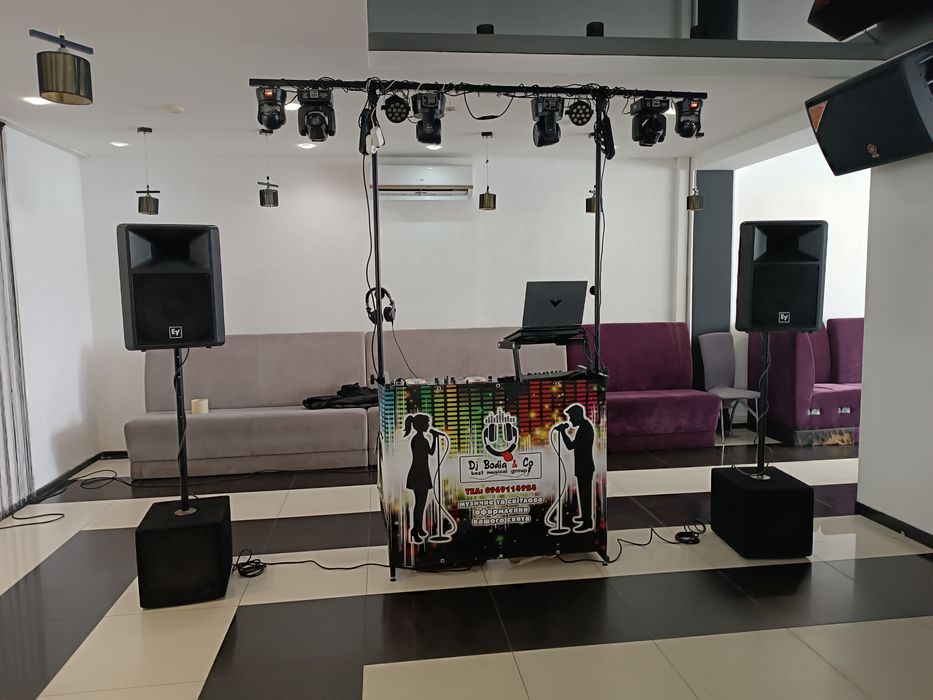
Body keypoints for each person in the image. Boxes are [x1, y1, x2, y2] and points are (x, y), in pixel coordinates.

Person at [556, 404, 596, 533]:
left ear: (577, 416)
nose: (570, 420)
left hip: (585, 467)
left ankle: (587, 522)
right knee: (583, 494)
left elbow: (570, 446)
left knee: (585, 495)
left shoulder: (585, 428)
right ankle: (585, 517)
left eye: (571, 417)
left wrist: (563, 432)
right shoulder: (584, 427)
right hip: (583, 466)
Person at [403, 413, 440, 543]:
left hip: (421, 472)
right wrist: (435, 438)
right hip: (419, 473)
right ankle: (415, 530)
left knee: (421, 504)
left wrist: (434, 438)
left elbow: (430, 452)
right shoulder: (419, 440)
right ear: (420, 425)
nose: (428, 425)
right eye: (427, 423)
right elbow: (430, 452)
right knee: (419, 504)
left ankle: (418, 528)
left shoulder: (420, 438)